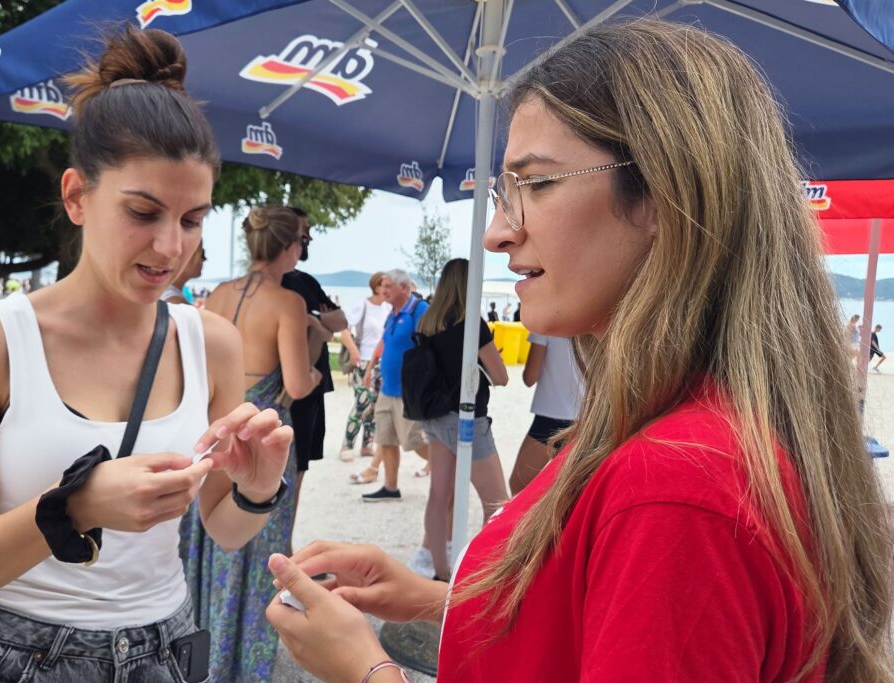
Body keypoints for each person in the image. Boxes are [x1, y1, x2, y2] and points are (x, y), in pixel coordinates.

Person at [264, 21, 894, 683]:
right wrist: (434, 599)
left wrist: (368, 671)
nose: (498, 232)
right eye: (504, 193)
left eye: (536, 184)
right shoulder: (689, 430)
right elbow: (591, 627)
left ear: (665, 193)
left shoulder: (675, 486)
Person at [0, 26, 293, 683]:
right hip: (10, 657)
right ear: (77, 196)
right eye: (143, 212)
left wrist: (256, 488)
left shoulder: (210, 342)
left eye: (192, 219)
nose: (171, 248)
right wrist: (73, 508)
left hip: (162, 651)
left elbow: (223, 529)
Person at [182, 205, 322, 681]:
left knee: (206, 542)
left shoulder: (219, 293)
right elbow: (298, 384)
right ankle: (240, 662)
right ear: (289, 247)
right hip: (260, 434)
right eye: (302, 242)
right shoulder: (288, 302)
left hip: (212, 428)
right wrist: (315, 371)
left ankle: (201, 650)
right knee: (258, 546)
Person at [416, 258, 509, 581]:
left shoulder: (428, 321)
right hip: (467, 419)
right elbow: (501, 377)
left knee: (439, 496)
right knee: (498, 505)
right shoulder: (472, 325)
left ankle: (441, 572)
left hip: (435, 417)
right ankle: (484, 573)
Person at [281, 208, 347, 517]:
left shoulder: (305, 281)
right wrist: (314, 322)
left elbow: (340, 320)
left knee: (298, 471)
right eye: (304, 232)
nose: (309, 238)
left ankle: (286, 538)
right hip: (284, 388)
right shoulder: (274, 285)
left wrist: (314, 319)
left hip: (311, 391)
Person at [361, 269, 430, 502]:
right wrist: (370, 368)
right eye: (383, 286)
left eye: (388, 286)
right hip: (387, 389)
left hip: (408, 392)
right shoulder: (393, 312)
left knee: (414, 441)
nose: (383, 290)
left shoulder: (419, 310)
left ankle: (451, 468)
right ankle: (390, 488)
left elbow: (429, 346)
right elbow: (385, 343)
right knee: (386, 439)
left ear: (403, 288)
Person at [508, 334, 583, 495]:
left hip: (551, 416)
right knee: (572, 490)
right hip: (586, 417)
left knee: (519, 484)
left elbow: (529, 378)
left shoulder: (546, 327)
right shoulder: (596, 323)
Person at [338, 272, 391, 461]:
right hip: (363, 363)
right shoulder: (363, 305)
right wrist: (354, 352)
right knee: (363, 402)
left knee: (375, 406)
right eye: (385, 286)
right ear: (376, 287)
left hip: (381, 364)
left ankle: (367, 445)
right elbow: (343, 328)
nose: (388, 290)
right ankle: (347, 445)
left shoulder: (388, 308)